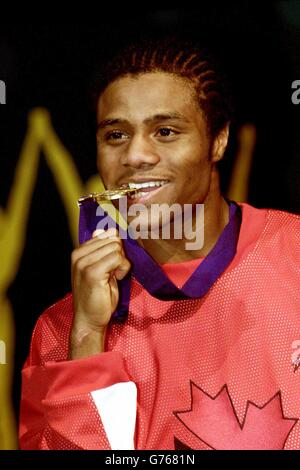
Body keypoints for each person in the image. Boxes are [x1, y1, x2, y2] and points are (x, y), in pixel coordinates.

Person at [19, 38, 300, 450]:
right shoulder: (62, 327)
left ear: (218, 141)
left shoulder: (293, 251)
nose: (135, 155)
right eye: (115, 135)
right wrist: (87, 337)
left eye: (165, 132)